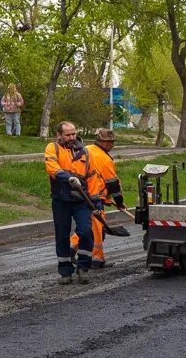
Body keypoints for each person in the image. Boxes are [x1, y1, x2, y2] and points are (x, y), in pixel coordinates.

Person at [44, 121, 95, 285]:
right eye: (68, 134)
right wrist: (67, 177)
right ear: (59, 135)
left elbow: (92, 176)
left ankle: (83, 268)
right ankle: (65, 271)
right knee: (62, 235)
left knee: (86, 231)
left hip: (81, 200)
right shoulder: (53, 148)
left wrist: (96, 201)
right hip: (61, 199)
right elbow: (51, 166)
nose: (72, 137)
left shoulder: (84, 152)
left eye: (73, 133)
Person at [71, 128, 126, 269]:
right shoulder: (104, 159)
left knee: (87, 226)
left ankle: (73, 248)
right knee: (96, 229)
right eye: (109, 142)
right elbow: (112, 183)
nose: (112, 145)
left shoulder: (87, 149)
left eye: (112, 142)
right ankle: (95, 259)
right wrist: (119, 202)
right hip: (95, 197)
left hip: (81, 193)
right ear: (102, 142)